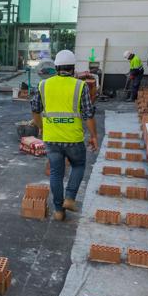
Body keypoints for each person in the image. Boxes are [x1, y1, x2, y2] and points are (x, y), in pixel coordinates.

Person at [32, 50, 99, 221]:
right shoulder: (80, 85)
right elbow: (88, 115)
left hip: (52, 138)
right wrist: (94, 136)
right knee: (78, 165)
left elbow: (35, 110)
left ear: (56, 67)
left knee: (56, 173)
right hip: (73, 139)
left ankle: (58, 211)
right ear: (72, 68)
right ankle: (69, 198)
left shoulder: (43, 85)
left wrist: (41, 128)